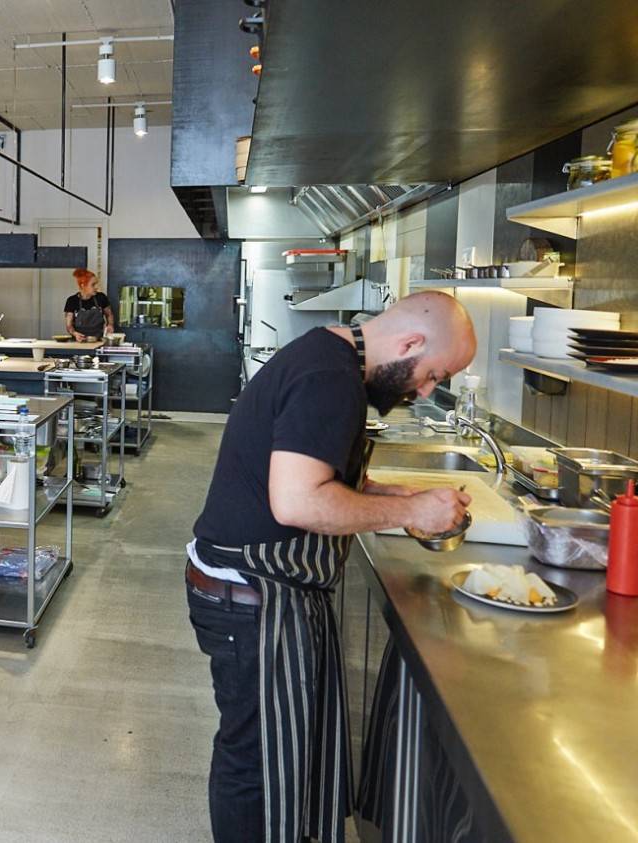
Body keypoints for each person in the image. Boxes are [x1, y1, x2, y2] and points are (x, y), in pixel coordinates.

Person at [186, 292, 476, 843]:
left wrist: (398, 496)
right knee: (255, 769)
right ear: (410, 343)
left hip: (255, 591)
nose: (425, 390)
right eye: (433, 374)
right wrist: (412, 510)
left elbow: (320, 472)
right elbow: (296, 502)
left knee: (268, 760)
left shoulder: (329, 359)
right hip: (254, 598)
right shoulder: (331, 378)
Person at [63, 268, 114, 341]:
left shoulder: (101, 297)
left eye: (96, 284)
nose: (96, 287)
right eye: (93, 285)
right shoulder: (72, 301)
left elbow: (109, 314)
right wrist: (74, 333)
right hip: (78, 342)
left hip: (98, 340)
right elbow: (69, 325)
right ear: (83, 285)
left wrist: (110, 325)